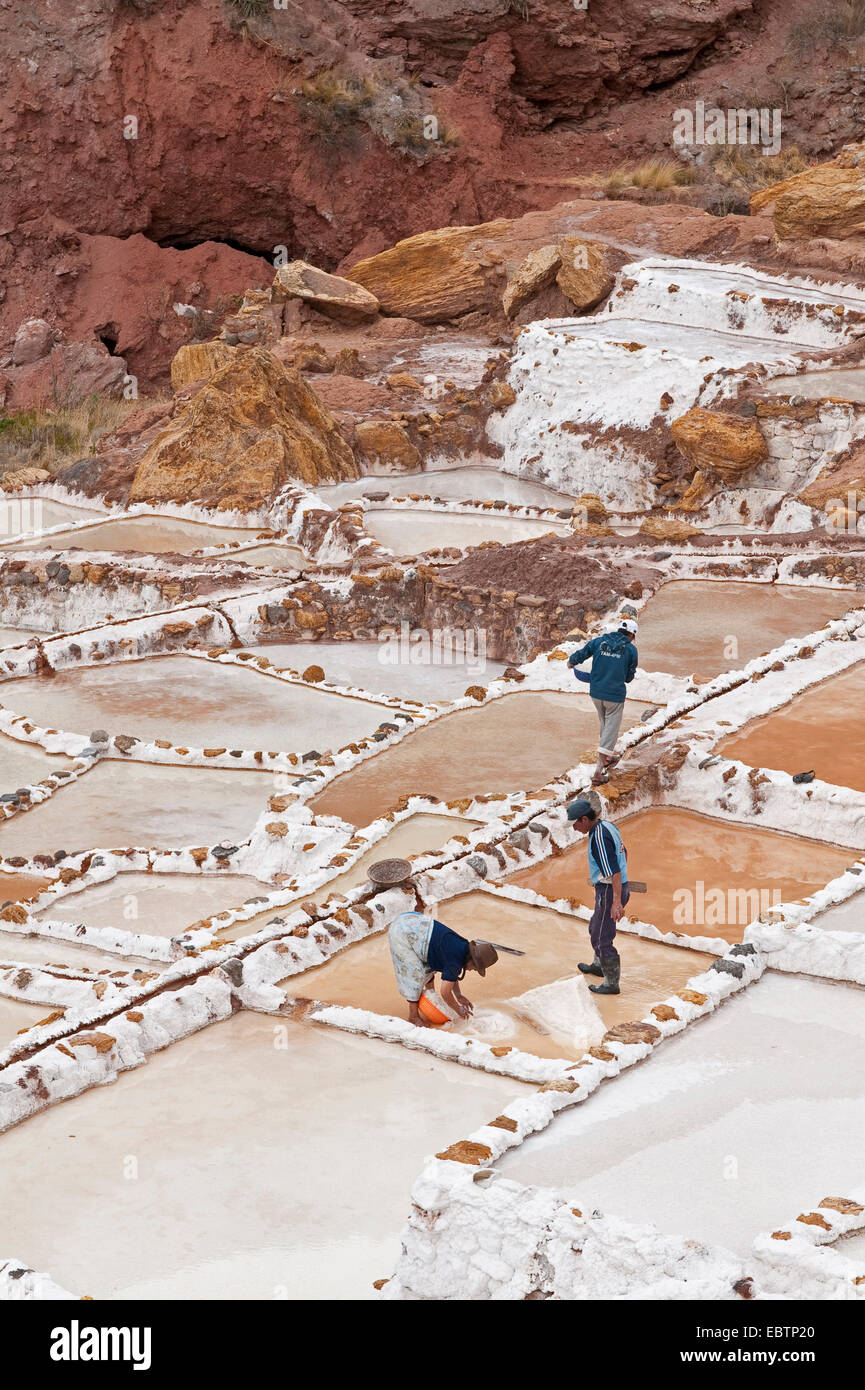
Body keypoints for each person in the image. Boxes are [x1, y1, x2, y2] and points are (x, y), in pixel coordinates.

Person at [388, 909, 498, 1027]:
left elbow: (452, 974)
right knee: (415, 975)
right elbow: (445, 992)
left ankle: (430, 999)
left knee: (429, 969)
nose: (471, 970)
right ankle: (413, 1017)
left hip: (413, 921)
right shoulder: (456, 959)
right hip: (402, 932)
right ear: (471, 961)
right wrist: (457, 1009)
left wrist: (459, 995)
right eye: (474, 968)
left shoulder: (463, 947)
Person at [566, 797, 630, 995]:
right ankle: (599, 965)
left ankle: (611, 983)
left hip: (610, 891)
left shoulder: (599, 838)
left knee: (602, 937)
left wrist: (616, 901)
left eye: (575, 823)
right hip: (610, 887)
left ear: (584, 819)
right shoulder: (607, 826)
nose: (574, 828)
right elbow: (624, 852)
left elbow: (614, 871)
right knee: (596, 926)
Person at [567, 617, 639, 785]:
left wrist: (571, 662)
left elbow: (582, 654)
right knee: (611, 731)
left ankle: (606, 758)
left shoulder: (599, 642)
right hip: (614, 696)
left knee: (605, 724)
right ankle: (598, 774)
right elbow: (629, 677)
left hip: (596, 692)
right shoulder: (630, 650)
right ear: (632, 635)